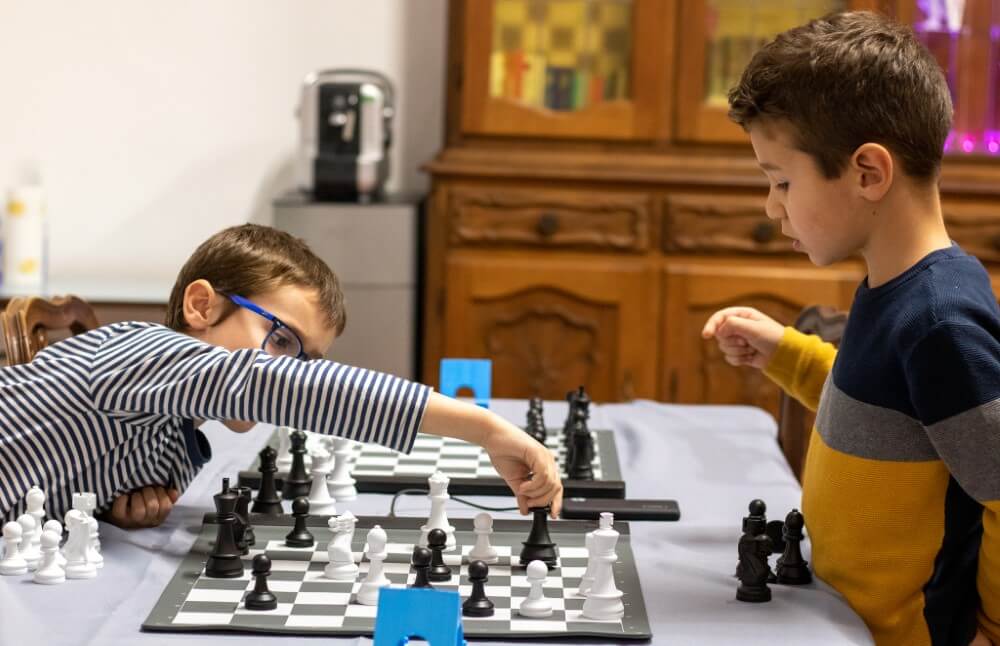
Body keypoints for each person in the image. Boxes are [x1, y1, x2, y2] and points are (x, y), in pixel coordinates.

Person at [701, 11, 999, 646]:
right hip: (836, 625)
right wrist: (786, 353)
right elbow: (888, 421)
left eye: (782, 181)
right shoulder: (893, 290)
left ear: (868, 173)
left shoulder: (939, 324)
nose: (771, 205)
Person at [0, 224, 563, 529]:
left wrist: (120, 507)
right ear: (201, 306)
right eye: (282, 339)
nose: (287, 370)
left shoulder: (180, 446)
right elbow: (279, 387)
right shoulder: (139, 350)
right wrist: (486, 428)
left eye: (304, 359)